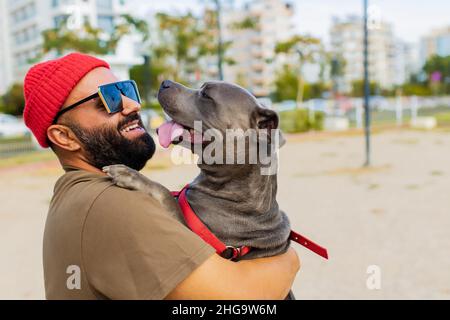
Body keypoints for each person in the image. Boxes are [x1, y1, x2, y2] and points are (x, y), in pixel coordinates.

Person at [23, 52, 300, 300]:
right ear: (64, 137)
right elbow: (240, 300)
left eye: (126, 89)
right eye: (108, 98)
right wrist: (287, 258)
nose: (132, 105)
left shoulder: (75, 196)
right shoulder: (113, 205)